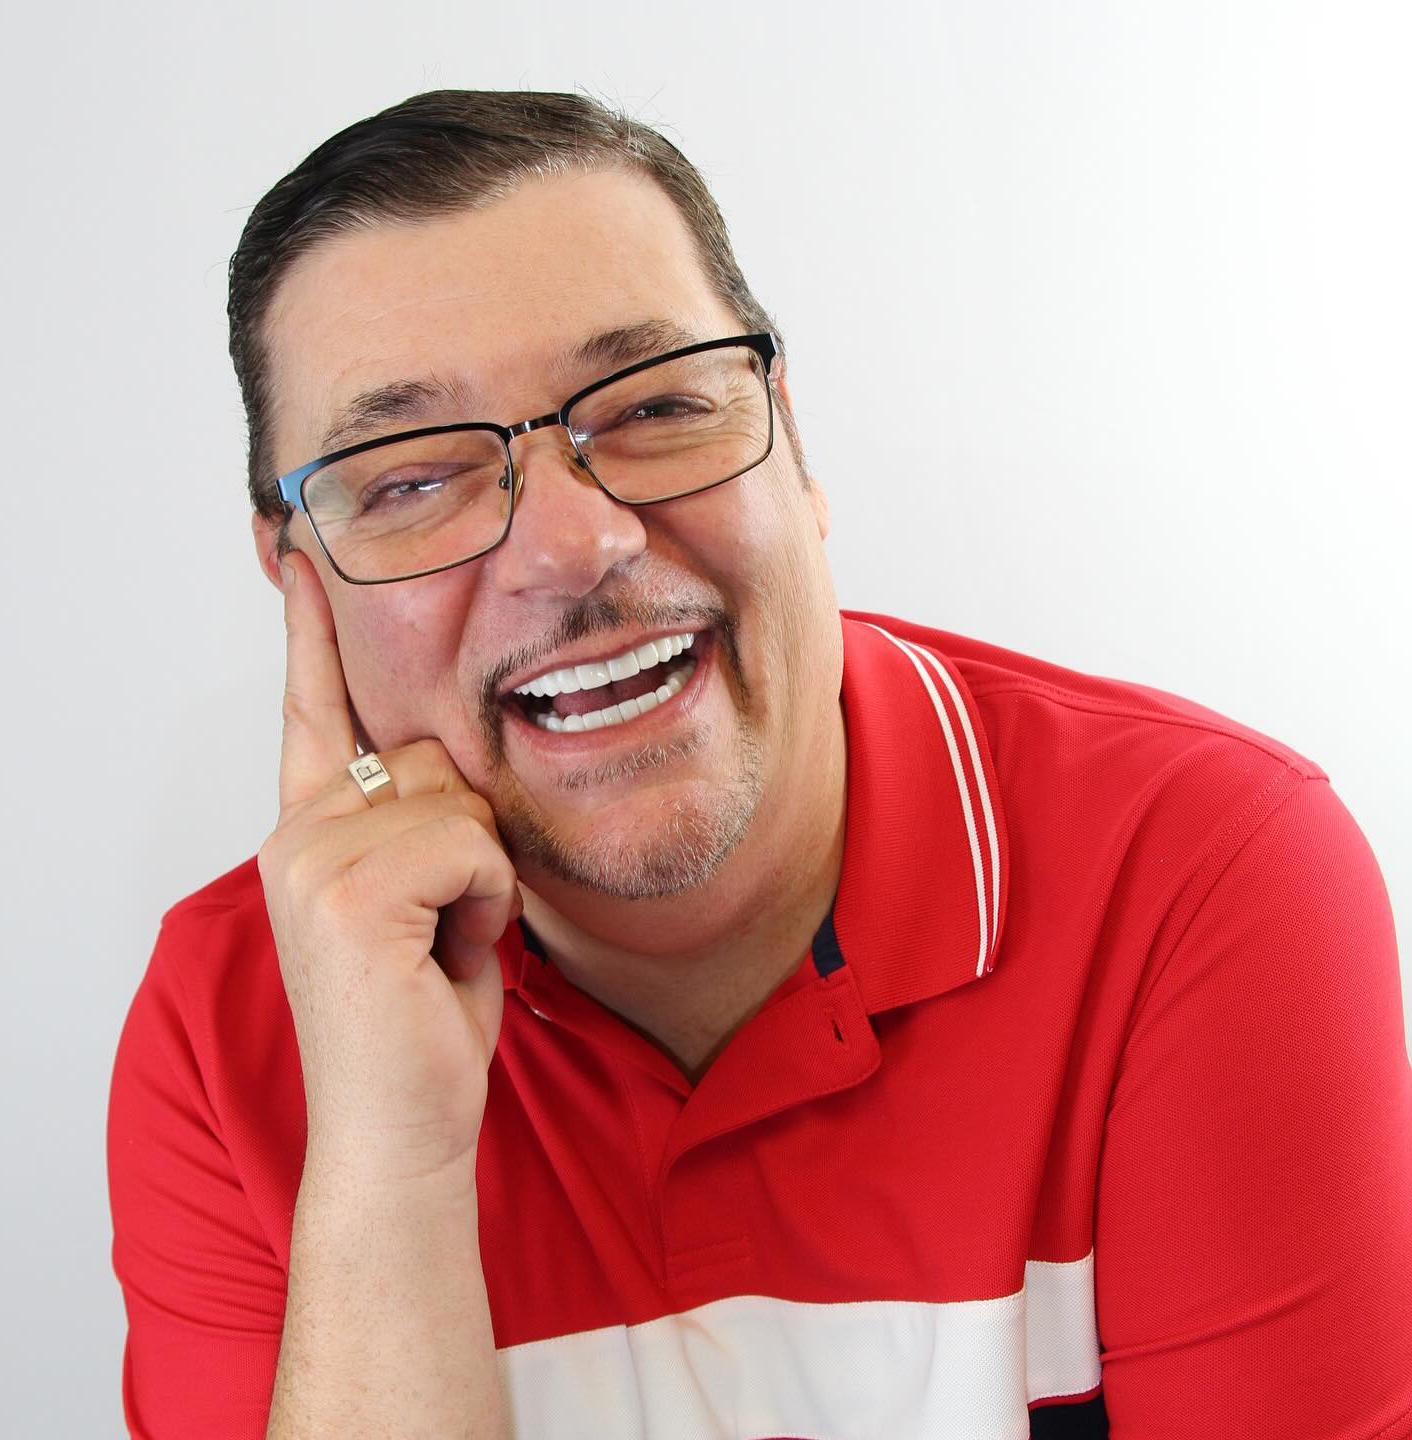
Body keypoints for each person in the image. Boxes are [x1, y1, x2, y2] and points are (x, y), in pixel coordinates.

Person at [106, 90, 1412, 1440]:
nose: (573, 546)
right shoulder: (228, 1028)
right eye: (410, 478)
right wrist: (386, 1164)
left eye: (658, 404)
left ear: (791, 435)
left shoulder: (1200, 871)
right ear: (297, 582)